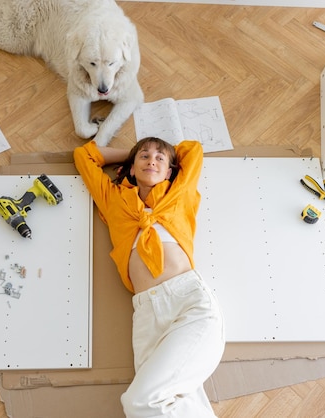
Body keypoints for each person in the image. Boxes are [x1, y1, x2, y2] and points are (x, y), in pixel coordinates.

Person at [74, 137, 225, 417]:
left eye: (160, 158)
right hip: (146, 315)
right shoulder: (114, 200)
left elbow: (192, 150)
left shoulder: (179, 192)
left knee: (140, 402)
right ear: (131, 168)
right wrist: (130, 154)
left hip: (187, 303)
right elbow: (85, 156)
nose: (151, 161)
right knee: (178, 401)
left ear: (170, 171)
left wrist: (151, 156)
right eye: (144, 157)